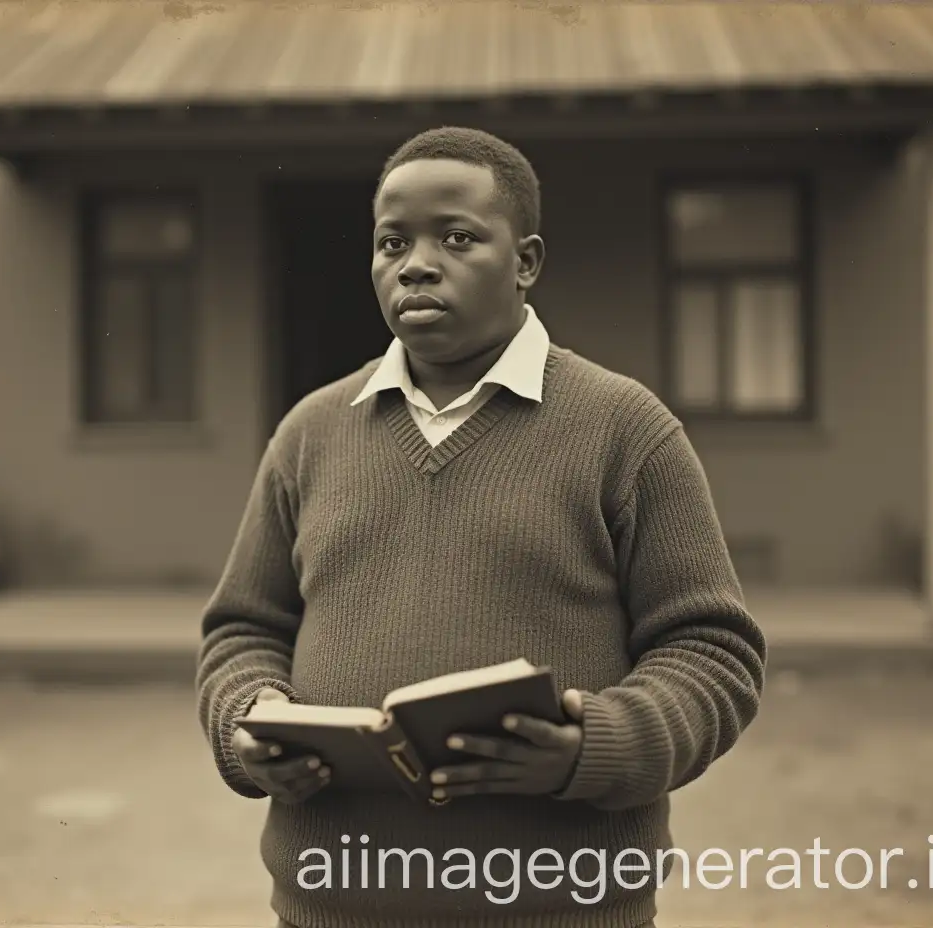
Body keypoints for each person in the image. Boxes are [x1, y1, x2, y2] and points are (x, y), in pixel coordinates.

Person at [195, 126, 767, 928]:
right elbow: (243, 630)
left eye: (457, 237)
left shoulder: (625, 430)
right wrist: (248, 725)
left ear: (526, 261)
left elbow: (714, 656)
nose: (416, 263)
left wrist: (590, 747)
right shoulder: (310, 434)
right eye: (392, 242)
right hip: (332, 907)